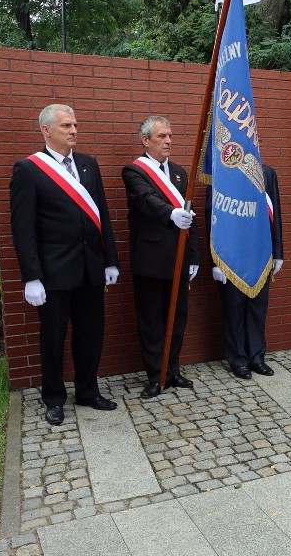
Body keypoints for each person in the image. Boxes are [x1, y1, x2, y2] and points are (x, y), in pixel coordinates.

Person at [10, 104, 120, 425]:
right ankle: (54, 397)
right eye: (66, 126)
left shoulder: (88, 164)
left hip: (90, 269)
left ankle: (87, 390)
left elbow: (102, 216)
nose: (74, 130)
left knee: (90, 334)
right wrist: (31, 277)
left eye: (75, 125)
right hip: (53, 273)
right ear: (46, 130)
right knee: (53, 337)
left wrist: (109, 260)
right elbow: (23, 228)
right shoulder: (29, 170)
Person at [121, 116, 199, 399]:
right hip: (151, 260)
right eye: (161, 136)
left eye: (170, 135)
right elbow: (146, 201)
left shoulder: (179, 172)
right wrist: (170, 214)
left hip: (178, 258)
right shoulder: (134, 171)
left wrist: (195, 256)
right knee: (152, 320)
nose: (168, 141)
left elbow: (191, 217)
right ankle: (156, 375)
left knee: (177, 317)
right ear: (145, 140)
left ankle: (173, 369)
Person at [205, 164, 284, 379]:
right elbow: (211, 218)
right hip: (231, 256)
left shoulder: (267, 173)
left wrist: (278, 253)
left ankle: (257, 357)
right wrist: (215, 261)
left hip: (260, 253)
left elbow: (274, 212)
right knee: (234, 309)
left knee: (258, 309)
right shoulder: (221, 175)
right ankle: (238, 359)